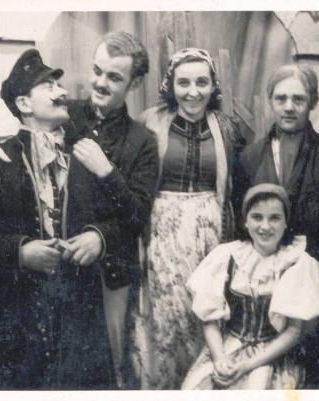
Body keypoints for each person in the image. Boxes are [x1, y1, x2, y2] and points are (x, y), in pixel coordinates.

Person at [0, 32, 159, 389]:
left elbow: (138, 215)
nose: (99, 83)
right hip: (37, 290)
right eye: (96, 71)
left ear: (134, 84)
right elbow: (20, 119)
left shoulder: (142, 141)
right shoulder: (67, 114)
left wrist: (107, 182)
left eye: (114, 77)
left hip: (102, 279)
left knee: (105, 373)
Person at [133, 48, 253, 389]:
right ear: (170, 86)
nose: (193, 92)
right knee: (167, 317)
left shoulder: (229, 128)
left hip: (212, 235)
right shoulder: (149, 123)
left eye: (202, 82)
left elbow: (241, 186)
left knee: (207, 311)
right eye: (183, 83)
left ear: (213, 86)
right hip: (162, 236)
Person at [235, 64, 319, 386]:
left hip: (315, 277)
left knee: (314, 369)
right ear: (270, 100)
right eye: (281, 98)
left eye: (298, 99)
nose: (289, 107)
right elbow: (241, 224)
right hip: (265, 280)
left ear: (312, 102)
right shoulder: (249, 157)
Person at [181, 184, 319, 390]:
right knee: (195, 388)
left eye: (274, 218)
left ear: (286, 222)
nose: (265, 227)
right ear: (245, 221)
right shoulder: (227, 256)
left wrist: (247, 365)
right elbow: (209, 318)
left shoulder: (297, 262)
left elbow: (294, 331)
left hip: (273, 354)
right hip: (227, 348)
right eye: (257, 217)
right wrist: (219, 359)